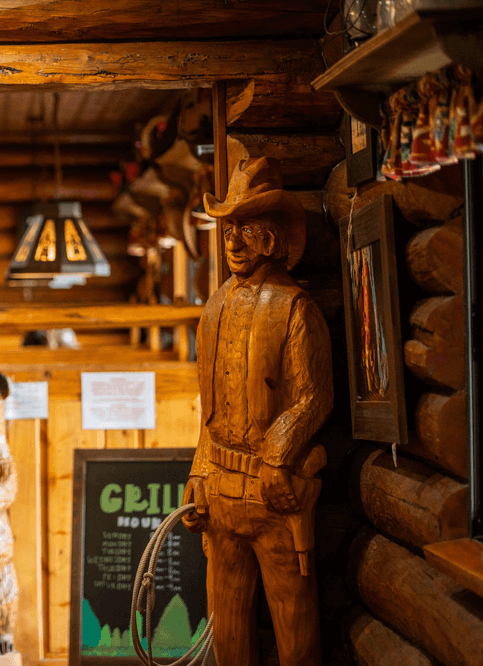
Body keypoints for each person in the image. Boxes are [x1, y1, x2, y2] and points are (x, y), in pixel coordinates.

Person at [181, 157, 333, 666]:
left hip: (275, 500)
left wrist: (275, 457)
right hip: (221, 493)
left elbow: (313, 395)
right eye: (227, 227)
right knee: (228, 627)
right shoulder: (215, 307)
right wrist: (200, 469)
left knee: (294, 625)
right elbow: (211, 406)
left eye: (245, 227)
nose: (233, 239)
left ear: (271, 234)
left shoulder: (294, 308)